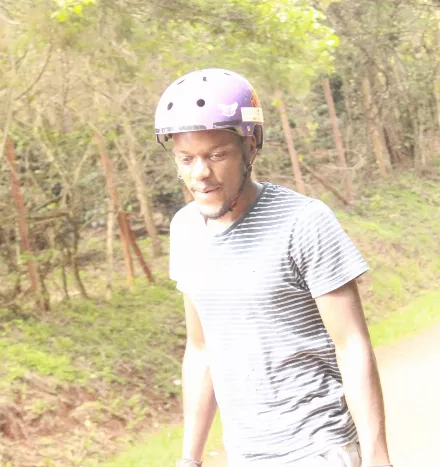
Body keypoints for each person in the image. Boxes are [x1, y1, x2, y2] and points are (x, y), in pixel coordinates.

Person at [154, 68, 392, 467]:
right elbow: (200, 348)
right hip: (246, 455)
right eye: (187, 158)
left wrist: (377, 455)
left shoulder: (304, 221)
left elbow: (351, 343)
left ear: (251, 145)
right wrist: (189, 459)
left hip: (319, 446)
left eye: (216, 155)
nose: (200, 173)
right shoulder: (185, 230)